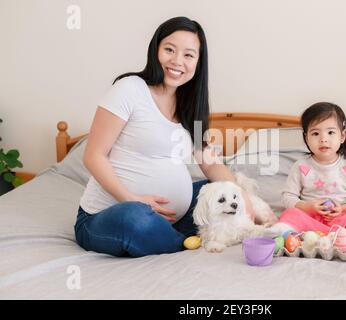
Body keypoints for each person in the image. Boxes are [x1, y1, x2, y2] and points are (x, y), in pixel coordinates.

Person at [74, 16, 256, 257]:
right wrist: (133, 199)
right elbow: (93, 156)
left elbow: (209, 162)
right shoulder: (129, 89)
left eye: (188, 55)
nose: (177, 61)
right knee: (136, 219)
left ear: (198, 62)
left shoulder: (191, 106)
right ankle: (185, 243)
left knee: (219, 190)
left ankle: (181, 235)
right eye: (169, 49)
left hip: (172, 218)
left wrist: (239, 193)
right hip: (108, 217)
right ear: (155, 50)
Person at [272, 102, 346, 258]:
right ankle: (277, 235)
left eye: (330, 133)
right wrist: (306, 206)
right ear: (306, 138)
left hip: (340, 216)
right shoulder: (301, 166)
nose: (323, 139)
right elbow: (288, 196)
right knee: (291, 214)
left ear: (342, 136)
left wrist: (343, 207)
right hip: (309, 217)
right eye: (315, 134)